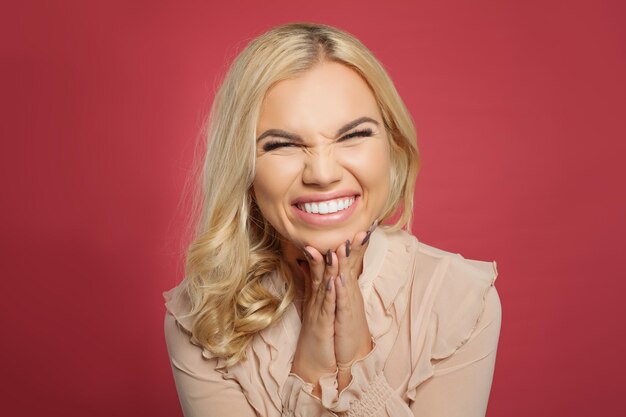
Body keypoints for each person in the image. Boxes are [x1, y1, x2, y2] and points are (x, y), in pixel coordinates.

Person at [163, 22, 502, 417]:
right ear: (243, 166)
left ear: (392, 146)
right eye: (283, 144)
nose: (322, 174)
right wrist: (314, 372)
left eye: (352, 135)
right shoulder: (203, 318)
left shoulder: (459, 302)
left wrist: (357, 364)